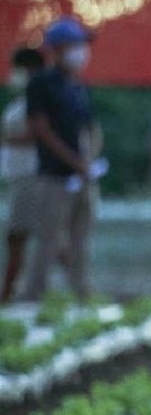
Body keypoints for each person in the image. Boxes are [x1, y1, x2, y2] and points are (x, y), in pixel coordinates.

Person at [23, 16, 101, 302]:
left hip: (82, 177)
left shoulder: (79, 85)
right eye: (75, 44)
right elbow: (40, 130)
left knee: (81, 239)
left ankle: (82, 293)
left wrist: (89, 160)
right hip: (54, 176)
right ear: (56, 49)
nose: (81, 51)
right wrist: (73, 161)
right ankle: (33, 297)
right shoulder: (41, 84)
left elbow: (89, 128)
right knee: (48, 240)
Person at [1, 46, 44, 302]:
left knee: (18, 235)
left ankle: (9, 292)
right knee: (26, 236)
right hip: (18, 177)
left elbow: (36, 135)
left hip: (30, 176)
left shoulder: (37, 100)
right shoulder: (22, 100)